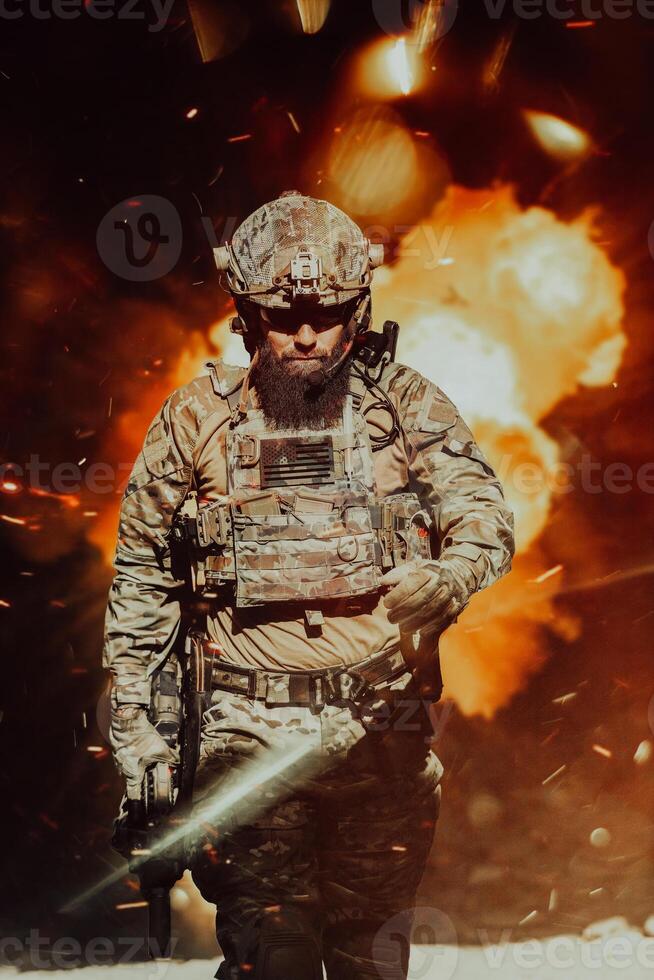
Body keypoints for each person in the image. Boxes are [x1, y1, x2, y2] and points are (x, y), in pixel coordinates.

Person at [104, 191, 515, 979]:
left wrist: (450, 576)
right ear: (246, 315)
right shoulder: (197, 421)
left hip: (379, 732)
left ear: (358, 311)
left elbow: (485, 518)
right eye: (283, 315)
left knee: (370, 960)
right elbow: (143, 579)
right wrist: (138, 737)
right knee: (276, 958)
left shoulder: (405, 407)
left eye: (325, 313)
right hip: (242, 739)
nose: (303, 334)